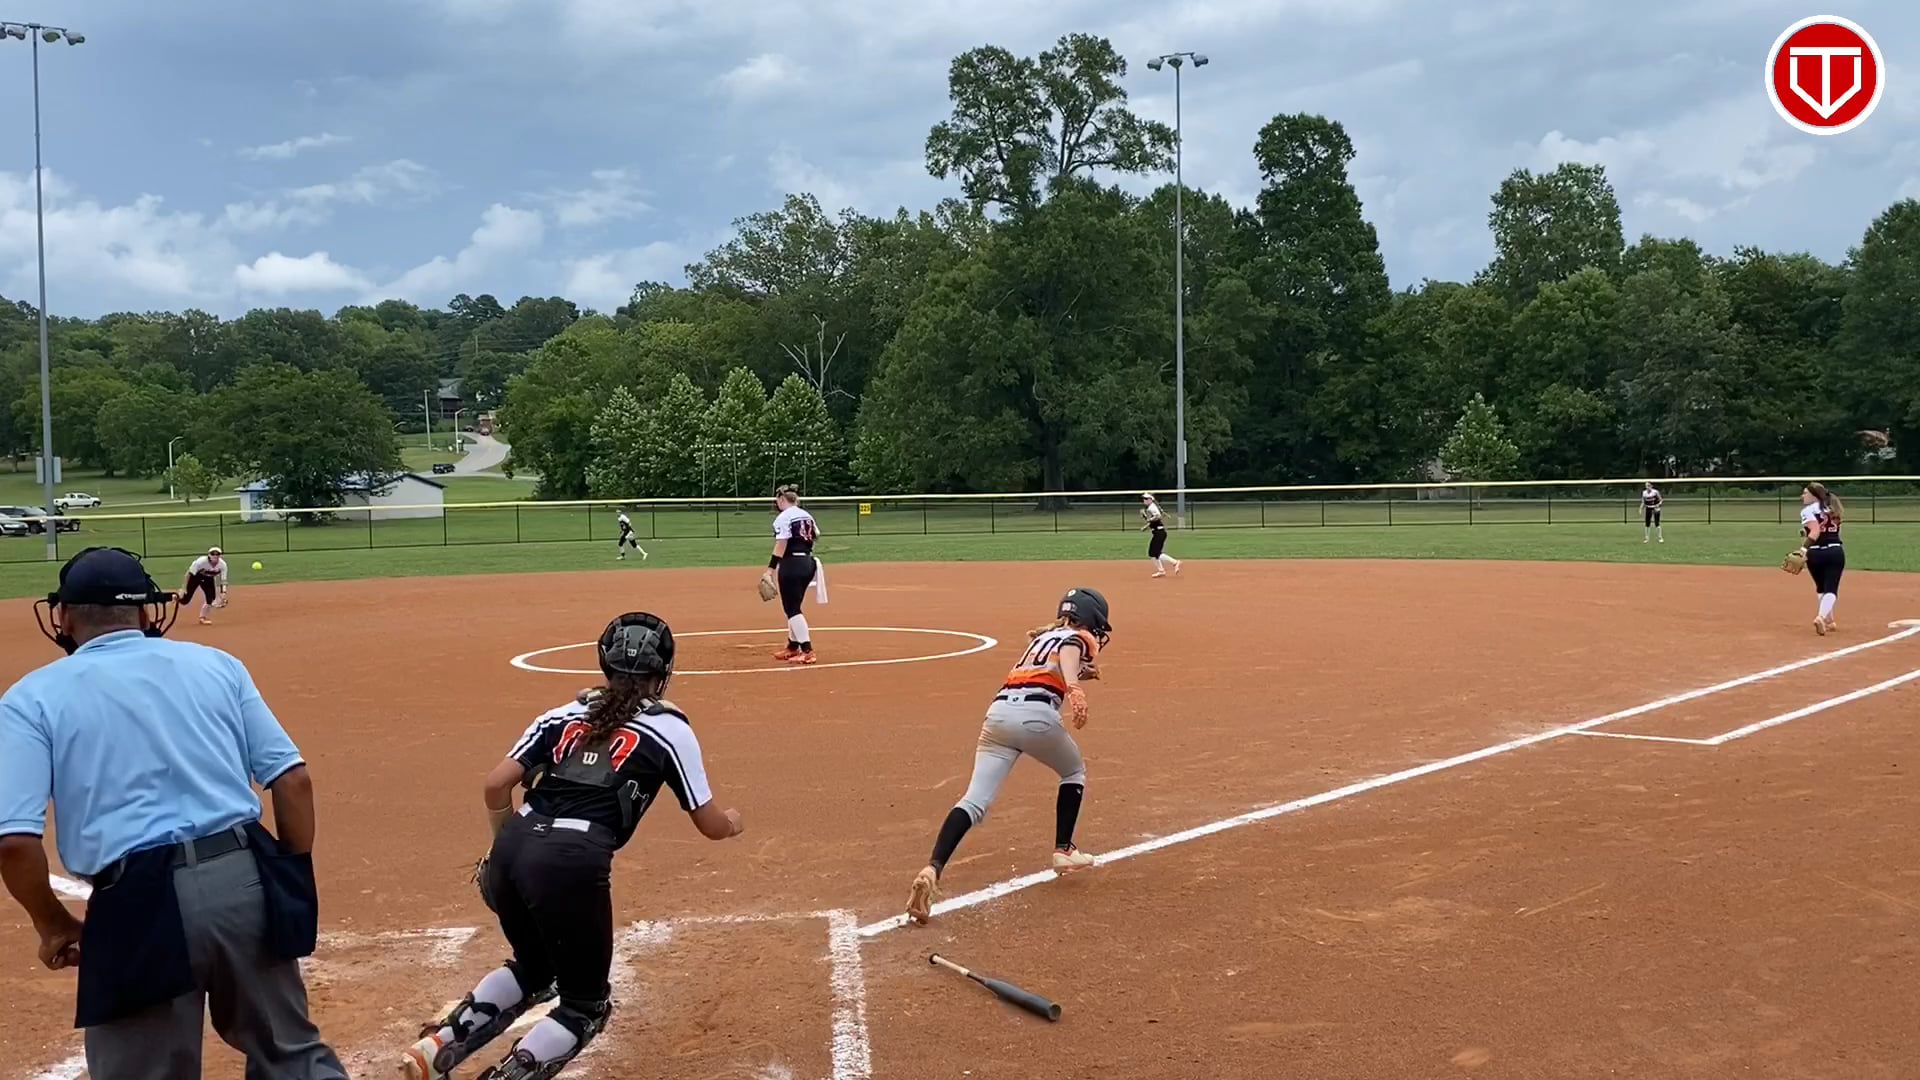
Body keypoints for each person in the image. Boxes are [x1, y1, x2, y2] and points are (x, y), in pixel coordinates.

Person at [0, 547, 343, 1079]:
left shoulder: (31, 698)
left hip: (136, 903)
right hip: (244, 878)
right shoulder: (217, 665)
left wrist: (53, 924)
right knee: (294, 1059)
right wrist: (286, 877)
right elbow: (292, 780)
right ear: (145, 612)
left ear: (62, 617)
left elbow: (14, 843)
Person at [400, 612, 743, 1080]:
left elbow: (496, 785)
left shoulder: (561, 715)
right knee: (584, 1005)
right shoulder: (669, 730)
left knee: (535, 968)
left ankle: (438, 1045)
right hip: (570, 861)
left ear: (605, 665)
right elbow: (710, 824)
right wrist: (733, 824)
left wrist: (501, 853)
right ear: (662, 673)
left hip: (513, 848)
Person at [905, 587, 1110, 925]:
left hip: (997, 717)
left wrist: (1077, 676)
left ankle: (933, 868)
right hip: (1035, 718)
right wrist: (1074, 688)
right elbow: (1070, 651)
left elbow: (1055, 663)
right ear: (1090, 619)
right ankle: (1064, 850)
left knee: (974, 801)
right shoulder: (1078, 637)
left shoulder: (1042, 637)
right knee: (1073, 771)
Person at [762, 485, 824, 665]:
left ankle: (807, 650)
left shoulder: (783, 517)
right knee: (794, 606)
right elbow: (816, 535)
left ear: (782, 499)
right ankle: (792, 646)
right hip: (808, 563)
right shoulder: (807, 515)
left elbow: (781, 544)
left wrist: (770, 570)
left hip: (792, 564)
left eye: (777, 500)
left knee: (792, 609)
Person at [1799, 482, 1845, 636]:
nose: (1802, 496)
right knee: (1831, 588)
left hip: (1815, 553)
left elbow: (1815, 531)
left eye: (1805, 493)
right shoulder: (1833, 507)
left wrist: (1803, 549)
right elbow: (1829, 530)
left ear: (1814, 495)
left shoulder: (1807, 510)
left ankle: (1828, 621)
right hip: (1834, 551)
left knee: (1821, 587)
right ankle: (1822, 618)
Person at [181, 546, 228, 625]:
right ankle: (175, 597)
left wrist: (223, 592)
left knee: (211, 598)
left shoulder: (222, 565)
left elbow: (223, 580)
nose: (215, 556)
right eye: (213, 554)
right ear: (209, 555)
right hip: (195, 577)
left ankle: (202, 618)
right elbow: (188, 574)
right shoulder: (201, 562)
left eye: (217, 554)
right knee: (185, 600)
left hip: (208, 579)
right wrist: (183, 588)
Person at [1140, 493, 1182, 577]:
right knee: (1153, 553)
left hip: (1159, 532)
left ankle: (1175, 562)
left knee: (1154, 553)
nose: (1144, 500)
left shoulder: (1152, 507)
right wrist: (1146, 526)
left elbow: (1158, 516)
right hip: (1158, 532)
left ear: (1151, 500)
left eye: (1146, 499)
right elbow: (1155, 520)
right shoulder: (1151, 507)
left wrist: (1148, 519)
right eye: (1144, 499)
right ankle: (1162, 570)